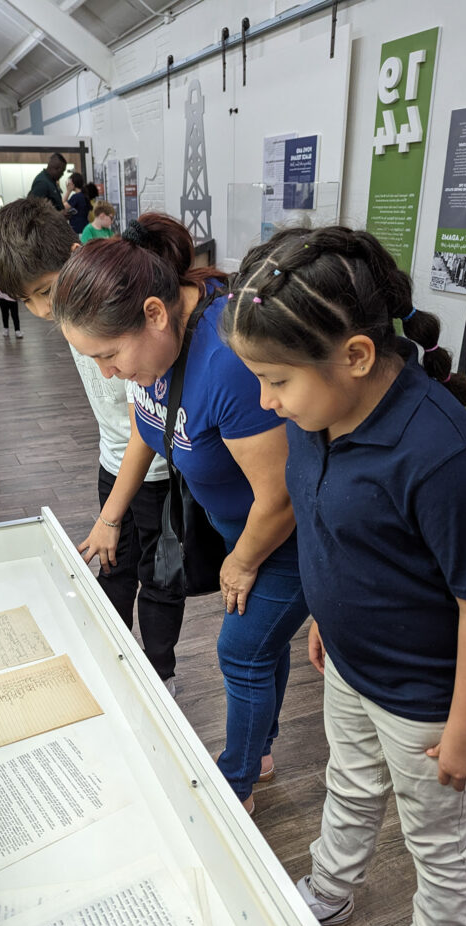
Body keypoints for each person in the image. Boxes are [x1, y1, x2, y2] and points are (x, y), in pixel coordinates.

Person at [221, 225, 466, 926]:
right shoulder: (314, 415)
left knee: (434, 833)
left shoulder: (443, 458)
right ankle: (332, 884)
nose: (264, 401)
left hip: (425, 696)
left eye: (276, 379)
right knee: (347, 785)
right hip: (350, 662)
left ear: (354, 356)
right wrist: (324, 611)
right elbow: (326, 526)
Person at [51, 214, 309, 814]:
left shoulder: (226, 364)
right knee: (260, 646)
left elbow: (283, 495)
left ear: (155, 314)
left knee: (241, 650)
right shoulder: (156, 354)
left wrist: (242, 563)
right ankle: (262, 748)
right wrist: (111, 516)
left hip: (282, 538)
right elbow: (149, 423)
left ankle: (237, 782)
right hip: (237, 527)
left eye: (109, 355)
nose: (107, 373)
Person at [0, 198, 186, 690]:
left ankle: (160, 677)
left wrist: (109, 515)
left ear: (76, 254)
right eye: (26, 301)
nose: (42, 311)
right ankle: (114, 666)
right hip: (111, 463)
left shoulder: (114, 309)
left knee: (161, 583)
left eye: (45, 291)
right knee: (112, 570)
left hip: (157, 473)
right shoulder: (77, 313)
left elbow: (146, 422)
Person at [0, 272, 23, 339]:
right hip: (2, 298)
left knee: (15, 315)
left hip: (13, 298)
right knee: (5, 314)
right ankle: (6, 329)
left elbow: (19, 284)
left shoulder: (13, 273)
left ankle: (17, 330)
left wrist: (20, 295)